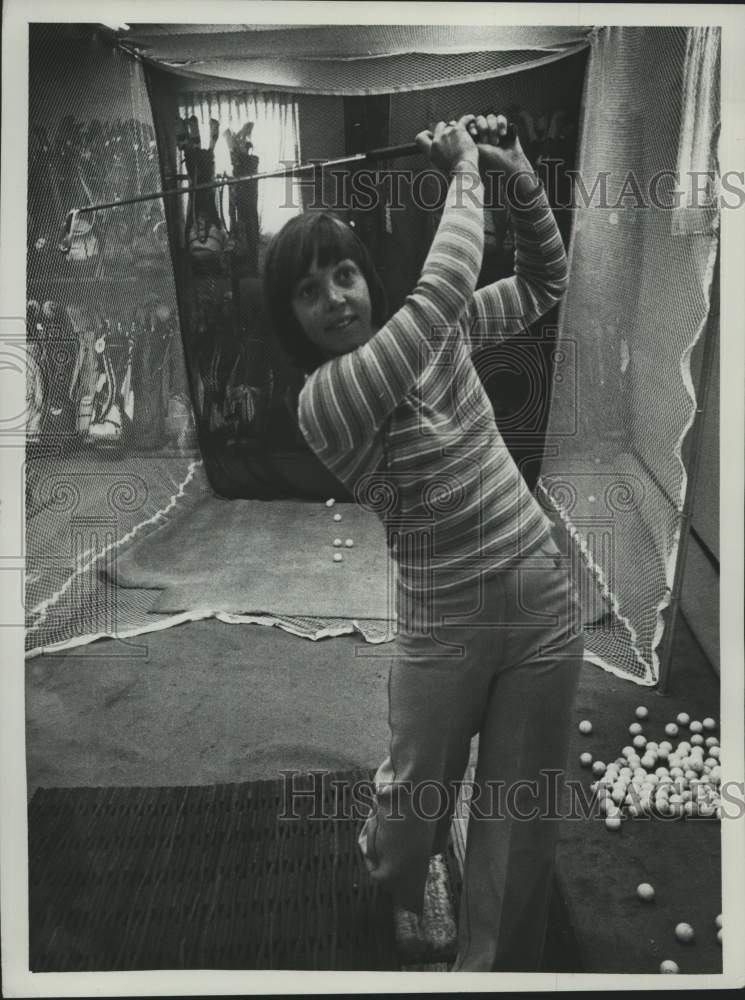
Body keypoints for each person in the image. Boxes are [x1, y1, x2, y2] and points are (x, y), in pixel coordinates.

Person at [263, 113, 584, 972]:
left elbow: (545, 279)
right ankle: (405, 875)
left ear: (366, 279)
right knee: (409, 825)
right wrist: (464, 173)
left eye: (343, 275)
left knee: (518, 824)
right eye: (309, 290)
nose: (335, 297)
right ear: (291, 317)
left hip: (540, 590)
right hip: (441, 622)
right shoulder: (326, 399)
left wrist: (512, 169)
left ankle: (488, 977)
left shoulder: (435, 332)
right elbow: (440, 292)